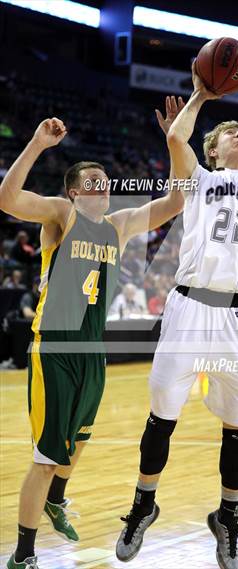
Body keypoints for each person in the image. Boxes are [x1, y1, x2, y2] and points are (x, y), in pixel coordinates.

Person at [116, 48, 238, 569]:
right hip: (189, 308)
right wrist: (202, 95)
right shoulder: (197, 178)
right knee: (163, 412)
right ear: (215, 147)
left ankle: (227, 516)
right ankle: (143, 504)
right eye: (232, 132)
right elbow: (177, 138)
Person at [0, 115, 184, 569]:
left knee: (79, 439)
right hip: (56, 347)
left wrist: (175, 140)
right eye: (92, 181)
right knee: (46, 456)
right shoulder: (62, 216)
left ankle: (56, 500)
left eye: (105, 179)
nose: (103, 184)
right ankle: (23, 554)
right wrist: (37, 144)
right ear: (75, 192)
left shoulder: (119, 225)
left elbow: (177, 201)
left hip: (91, 350)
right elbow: (7, 199)